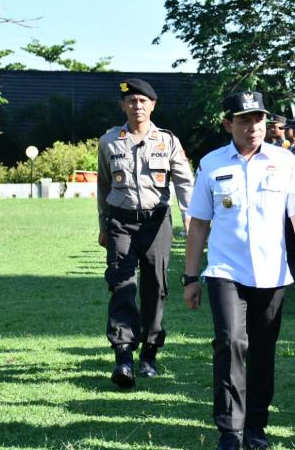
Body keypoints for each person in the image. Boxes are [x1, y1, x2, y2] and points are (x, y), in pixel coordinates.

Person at [182, 91, 295, 450]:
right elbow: (198, 224)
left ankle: (255, 426)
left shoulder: (284, 160)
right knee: (230, 343)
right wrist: (191, 277)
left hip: (272, 273)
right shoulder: (211, 164)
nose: (253, 127)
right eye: (244, 119)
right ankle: (230, 429)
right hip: (225, 271)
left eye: (258, 119)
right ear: (228, 124)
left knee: (262, 350)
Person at [97, 78, 194, 388]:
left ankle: (149, 352)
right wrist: (102, 224)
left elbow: (184, 182)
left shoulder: (168, 141)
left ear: (153, 105)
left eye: (142, 101)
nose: (137, 106)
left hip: (156, 222)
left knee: (156, 286)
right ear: (122, 105)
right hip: (120, 222)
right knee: (121, 284)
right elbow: (103, 185)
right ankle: (123, 354)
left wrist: (190, 219)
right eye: (131, 101)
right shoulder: (109, 141)